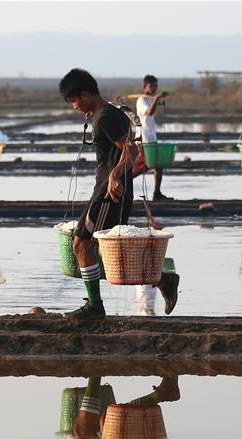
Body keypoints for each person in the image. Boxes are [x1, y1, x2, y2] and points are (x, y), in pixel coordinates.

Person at [58, 68, 179, 318]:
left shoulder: (105, 117)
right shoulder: (108, 112)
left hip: (109, 193)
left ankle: (95, 306)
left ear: (85, 94)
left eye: (73, 101)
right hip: (111, 190)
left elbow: (132, 151)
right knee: (106, 250)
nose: (74, 107)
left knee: (82, 244)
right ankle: (163, 279)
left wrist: (114, 175)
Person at [132, 75, 172, 200]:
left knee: (158, 165)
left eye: (155, 86)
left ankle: (157, 193)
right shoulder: (141, 100)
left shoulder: (149, 99)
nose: (154, 88)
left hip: (151, 137)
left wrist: (158, 99)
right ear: (145, 87)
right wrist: (156, 99)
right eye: (151, 86)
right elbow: (149, 112)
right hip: (143, 138)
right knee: (146, 165)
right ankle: (124, 180)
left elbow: (154, 105)